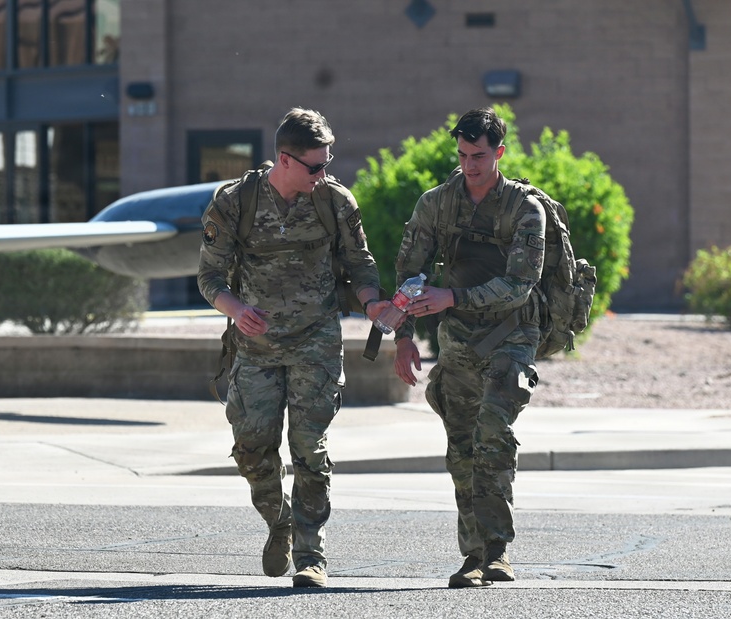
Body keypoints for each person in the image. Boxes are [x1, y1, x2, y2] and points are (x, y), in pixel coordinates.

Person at [197, 108, 384, 588]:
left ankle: (310, 554)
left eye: (327, 163)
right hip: (255, 347)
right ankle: (277, 519)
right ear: (285, 160)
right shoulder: (235, 202)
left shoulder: (334, 201)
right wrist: (235, 309)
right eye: (315, 166)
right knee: (253, 449)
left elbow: (360, 265)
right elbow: (209, 277)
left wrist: (371, 304)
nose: (324, 174)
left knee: (308, 448)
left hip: (315, 343)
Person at [389, 107, 546, 588]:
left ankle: (497, 552)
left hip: (511, 336)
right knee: (461, 449)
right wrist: (402, 338)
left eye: (479, 155)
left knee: (491, 433)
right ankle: (472, 556)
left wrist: (451, 297)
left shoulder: (525, 210)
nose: (470, 165)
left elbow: (521, 285)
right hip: (456, 341)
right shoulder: (437, 204)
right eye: (462, 155)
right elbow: (408, 273)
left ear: (500, 152)